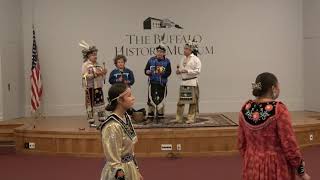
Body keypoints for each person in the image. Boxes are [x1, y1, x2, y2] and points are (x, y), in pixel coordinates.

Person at [238, 72, 311, 180]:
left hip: (251, 167)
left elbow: (241, 143)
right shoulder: (279, 110)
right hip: (276, 168)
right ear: (273, 88)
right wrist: (301, 171)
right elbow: (289, 145)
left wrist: (252, 158)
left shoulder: (245, 108)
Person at [98, 83, 143, 180]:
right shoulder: (112, 126)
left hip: (129, 167)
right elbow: (113, 157)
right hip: (119, 172)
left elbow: (130, 151)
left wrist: (136, 170)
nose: (133, 98)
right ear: (119, 100)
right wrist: (119, 172)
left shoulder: (126, 118)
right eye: (129, 96)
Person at [80, 41, 107, 127]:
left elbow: (101, 76)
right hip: (90, 88)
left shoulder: (98, 64)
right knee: (90, 104)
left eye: (95, 54)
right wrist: (95, 74)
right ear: (88, 56)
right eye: (93, 55)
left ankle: (101, 119)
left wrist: (103, 73)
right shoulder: (86, 65)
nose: (95, 56)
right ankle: (91, 121)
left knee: (99, 103)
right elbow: (84, 76)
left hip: (98, 87)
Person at [174, 40, 201, 124]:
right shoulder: (182, 59)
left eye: (186, 49)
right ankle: (179, 118)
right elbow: (181, 70)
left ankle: (191, 118)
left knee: (192, 102)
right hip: (183, 82)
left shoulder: (196, 59)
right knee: (181, 102)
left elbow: (198, 71)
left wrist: (188, 71)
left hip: (192, 82)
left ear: (190, 50)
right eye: (184, 48)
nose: (184, 50)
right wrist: (178, 72)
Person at [144, 43, 172, 122]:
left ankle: (160, 116)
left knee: (161, 99)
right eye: (158, 51)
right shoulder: (151, 60)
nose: (159, 53)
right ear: (156, 52)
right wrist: (147, 72)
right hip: (152, 83)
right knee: (151, 99)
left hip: (161, 84)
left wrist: (161, 74)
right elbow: (146, 70)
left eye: (161, 52)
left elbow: (168, 72)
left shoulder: (167, 61)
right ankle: (150, 116)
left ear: (164, 53)